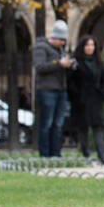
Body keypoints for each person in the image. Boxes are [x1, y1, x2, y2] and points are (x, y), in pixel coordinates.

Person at [33, 20, 75, 157]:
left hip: (60, 90)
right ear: (55, 37)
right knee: (47, 123)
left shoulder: (60, 50)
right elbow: (39, 67)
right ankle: (44, 154)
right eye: (62, 39)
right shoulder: (41, 47)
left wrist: (69, 65)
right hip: (46, 90)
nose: (63, 43)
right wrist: (59, 64)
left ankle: (56, 153)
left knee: (58, 124)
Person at [69, 35, 104, 164]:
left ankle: (101, 155)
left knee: (98, 128)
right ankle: (86, 155)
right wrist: (76, 97)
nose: (90, 48)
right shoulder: (76, 63)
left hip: (95, 100)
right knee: (83, 129)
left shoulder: (99, 63)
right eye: (87, 45)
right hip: (81, 101)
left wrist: (102, 94)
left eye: (92, 45)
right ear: (83, 47)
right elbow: (71, 82)